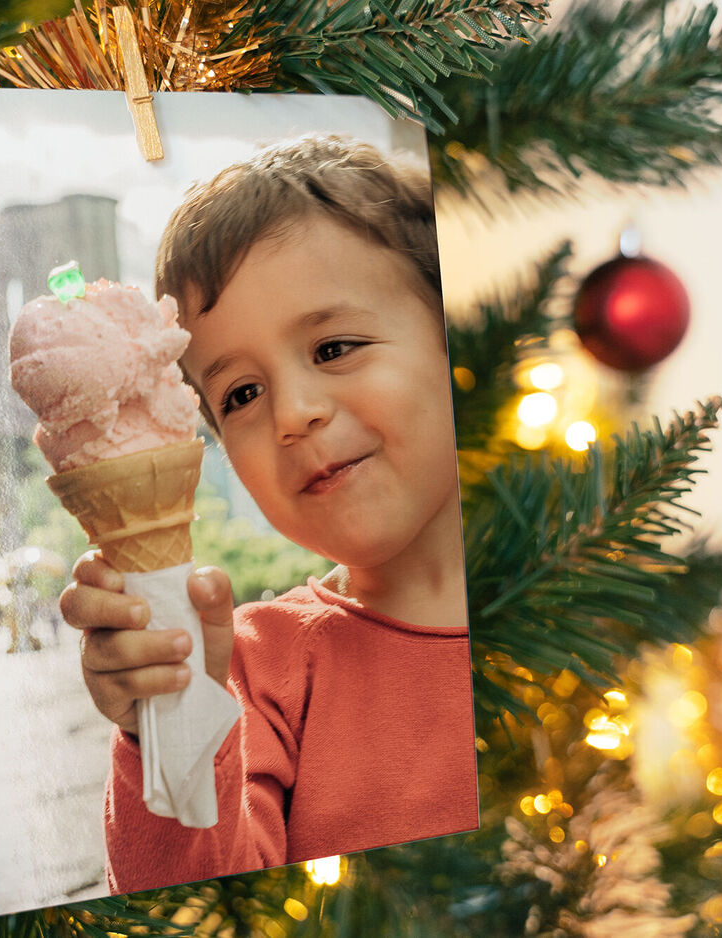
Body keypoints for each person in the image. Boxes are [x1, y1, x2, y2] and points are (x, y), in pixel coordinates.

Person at [61, 135, 478, 894]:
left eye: (334, 347)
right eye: (241, 396)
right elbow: (199, 901)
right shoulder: (256, 669)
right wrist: (169, 720)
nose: (294, 414)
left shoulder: (590, 569)